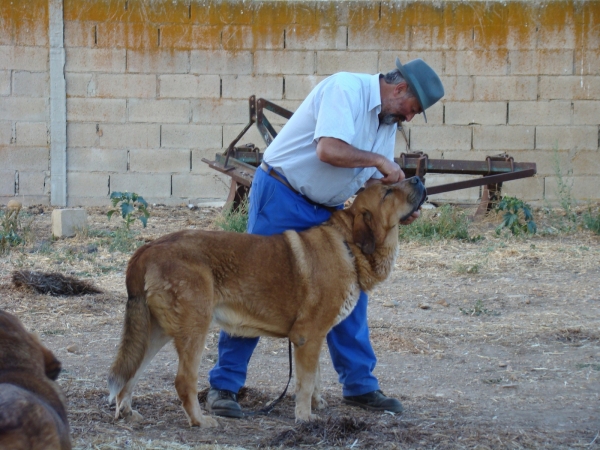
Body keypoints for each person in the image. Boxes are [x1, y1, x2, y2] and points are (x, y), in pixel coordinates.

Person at [206, 57, 444, 418]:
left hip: (327, 206)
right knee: (252, 283)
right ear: (398, 90)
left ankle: (359, 386)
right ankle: (224, 385)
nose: (409, 118)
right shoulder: (345, 90)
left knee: (350, 288)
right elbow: (328, 149)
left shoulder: (387, 121)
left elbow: (370, 184)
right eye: (412, 109)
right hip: (284, 192)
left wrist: (397, 211)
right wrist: (380, 163)